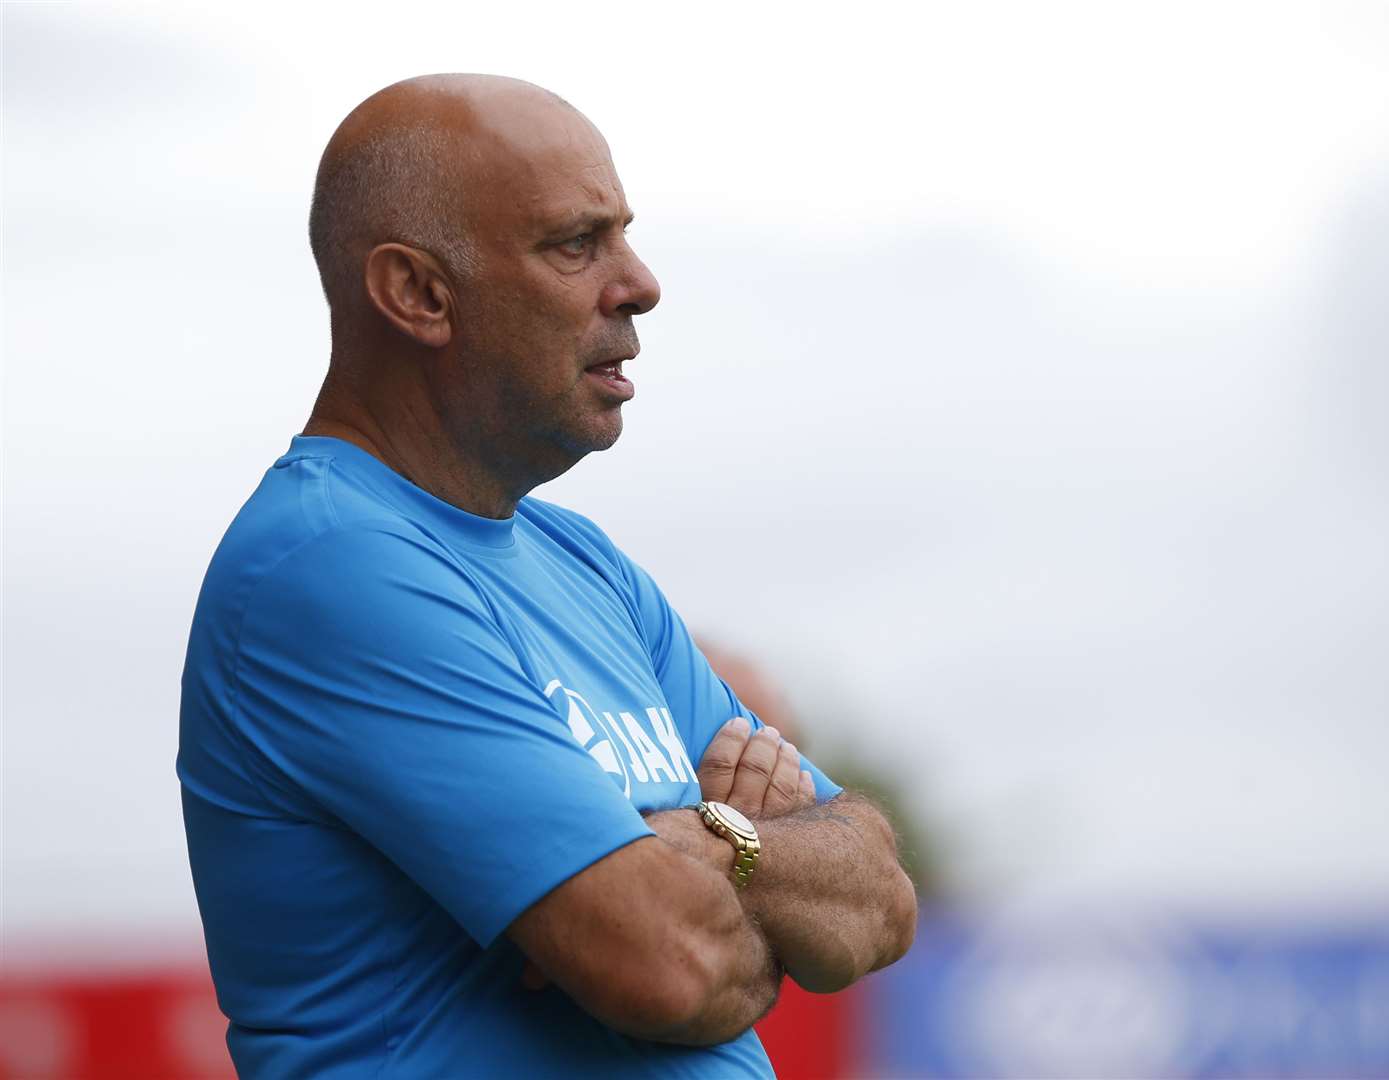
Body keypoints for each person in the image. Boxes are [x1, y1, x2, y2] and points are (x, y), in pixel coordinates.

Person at [177, 73, 916, 1078]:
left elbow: (878, 897)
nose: (640, 281)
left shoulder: (585, 564)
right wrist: (749, 886)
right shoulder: (333, 567)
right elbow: (675, 964)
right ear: (419, 294)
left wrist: (710, 842)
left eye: (624, 233)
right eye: (576, 244)